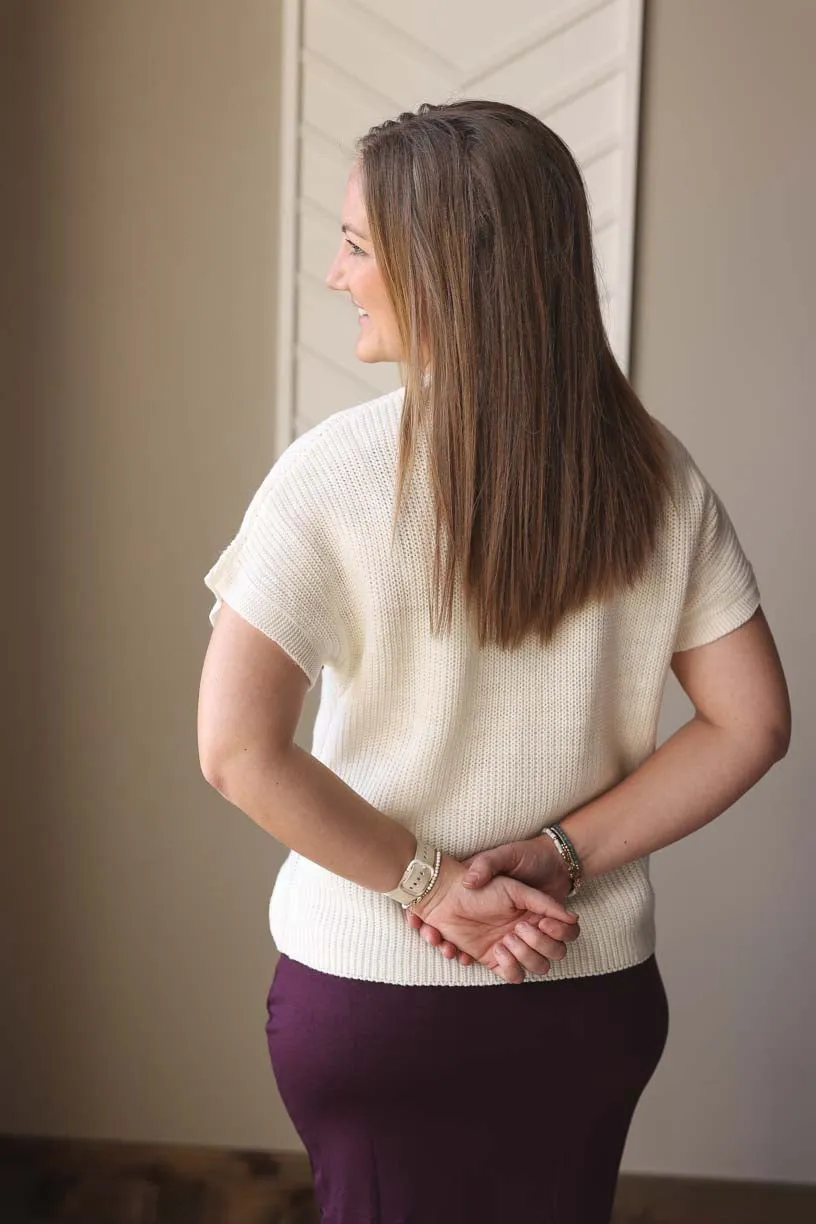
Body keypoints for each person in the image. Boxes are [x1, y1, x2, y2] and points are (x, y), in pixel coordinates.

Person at [197, 100, 791, 1224]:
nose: (337, 275)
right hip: (583, 1001)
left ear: (442, 267)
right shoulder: (656, 477)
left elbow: (235, 749)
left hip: (375, 1002)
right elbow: (752, 722)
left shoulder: (331, 473)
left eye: (359, 246)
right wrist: (563, 856)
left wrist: (428, 887)